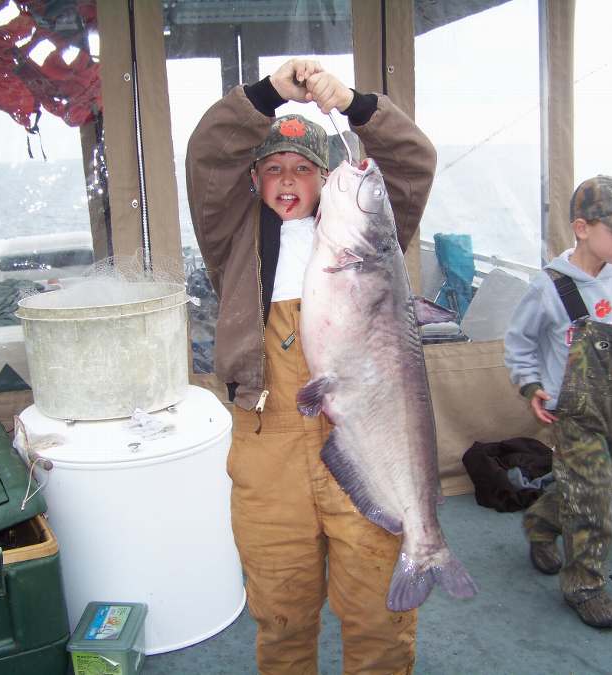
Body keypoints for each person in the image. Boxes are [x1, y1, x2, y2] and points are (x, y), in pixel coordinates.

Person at [185, 59, 436, 673]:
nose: (288, 180)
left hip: (362, 431)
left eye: (303, 167)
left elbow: (412, 162)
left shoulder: (369, 231)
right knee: (282, 608)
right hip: (268, 441)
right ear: (253, 179)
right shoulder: (233, 238)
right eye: (273, 169)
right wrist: (270, 94)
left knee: (377, 611)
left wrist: (351, 103)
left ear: (328, 177)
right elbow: (207, 155)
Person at [503, 175, 612, 629]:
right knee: (593, 501)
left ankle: (540, 520)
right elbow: (520, 344)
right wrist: (531, 387)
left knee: (599, 488)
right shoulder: (550, 286)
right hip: (573, 415)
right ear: (582, 227)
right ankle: (585, 586)